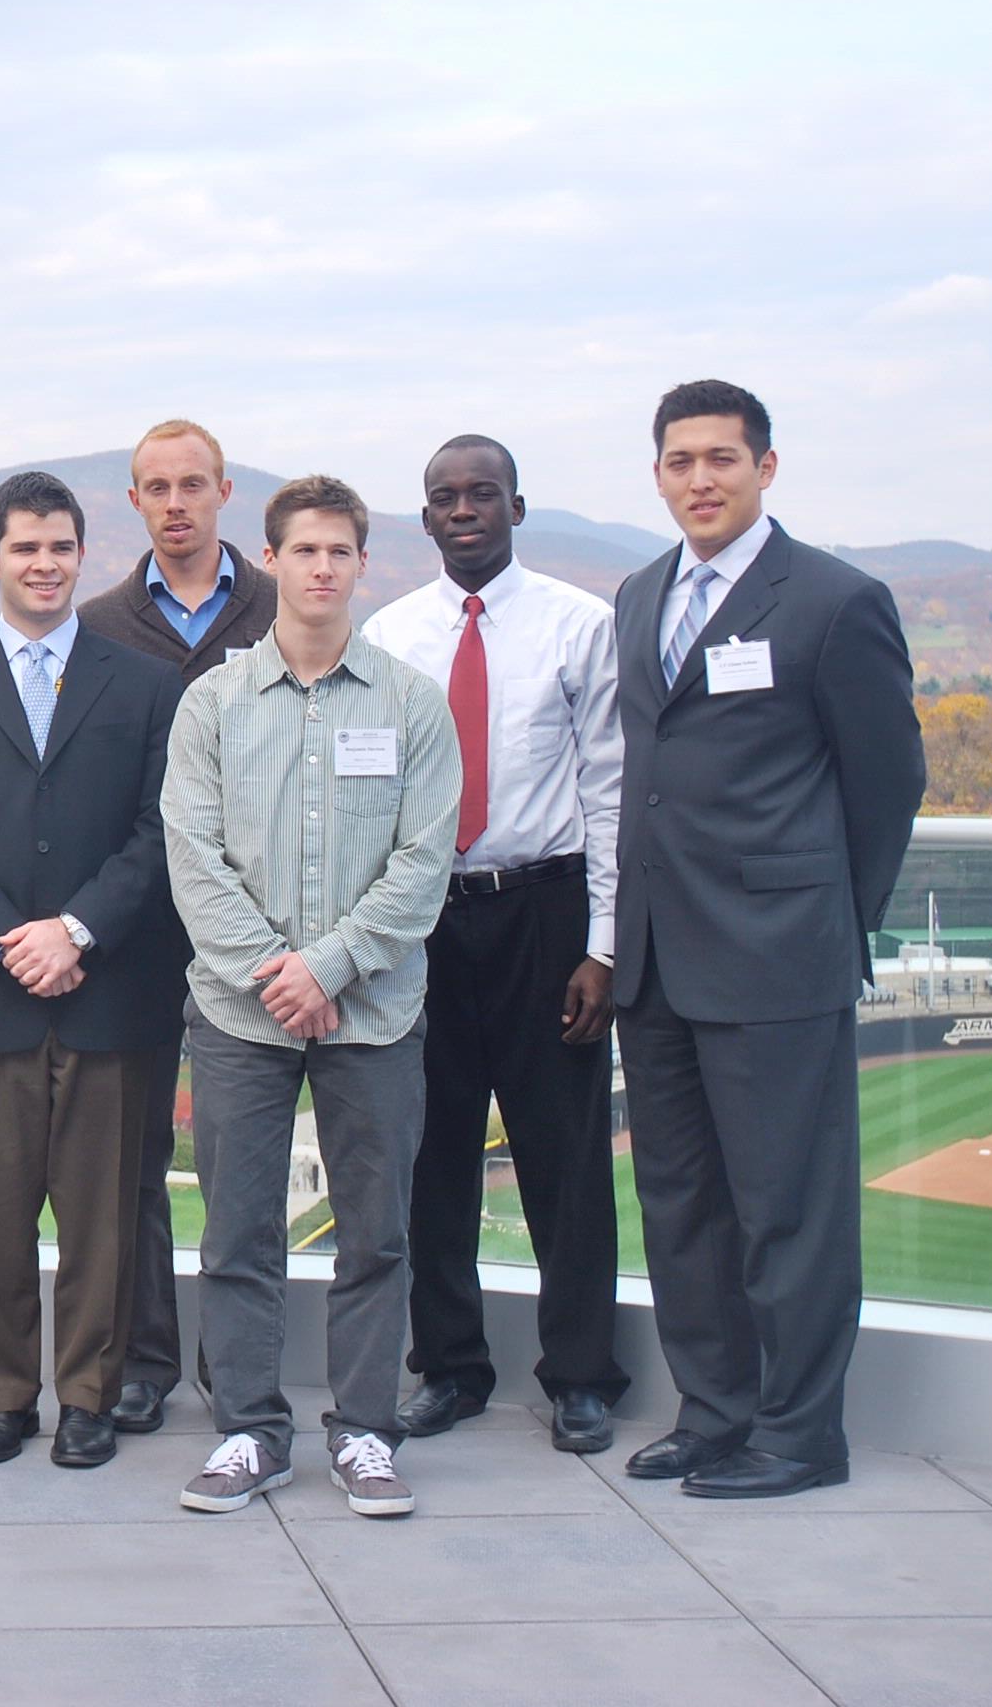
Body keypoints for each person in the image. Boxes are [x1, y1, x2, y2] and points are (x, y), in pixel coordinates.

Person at [612, 380, 924, 1499]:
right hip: (654, 960)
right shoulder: (639, 594)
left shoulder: (834, 602)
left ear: (765, 469)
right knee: (682, 1207)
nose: (699, 479)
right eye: (679, 461)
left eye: (721, 460)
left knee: (788, 1210)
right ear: (656, 474)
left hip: (776, 958)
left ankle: (799, 1434)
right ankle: (713, 1414)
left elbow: (887, 782)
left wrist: (829, 922)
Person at [165, 476, 457, 1520]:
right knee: (238, 1231)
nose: (322, 568)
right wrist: (278, 975)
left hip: (373, 1012)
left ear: (360, 566)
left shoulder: (411, 704)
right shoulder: (212, 704)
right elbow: (192, 858)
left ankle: (367, 1433)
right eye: (304, 551)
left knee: (375, 1233)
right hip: (242, 1016)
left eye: (340, 551)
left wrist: (327, 967)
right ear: (272, 561)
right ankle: (249, 1431)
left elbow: (425, 860)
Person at [0, 471, 183, 1470]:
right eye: (24, 548)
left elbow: (159, 829)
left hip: (111, 990)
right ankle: (3, 1397)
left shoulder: (145, 688)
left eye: (60, 547)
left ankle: (89, 1397)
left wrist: (78, 930)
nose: (44, 564)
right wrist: (14, 939)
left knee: (103, 1217)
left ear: (80, 554)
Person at [362, 435, 630, 1454]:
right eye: (444, 497)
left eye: (482, 493)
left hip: (545, 914)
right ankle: (451, 1366)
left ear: (516, 505)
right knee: (431, 1156)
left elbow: (607, 794)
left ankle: (579, 1375)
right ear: (424, 519)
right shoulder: (389, 635)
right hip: (426, 916)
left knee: (561, 1153)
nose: (464, 509)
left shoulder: (578, 627)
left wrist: (602, 947)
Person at [75, 417, 278, 1428]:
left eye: (191, 484)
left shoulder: (283, 609)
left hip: (266, 929)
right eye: (155, 487)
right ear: (133, 501)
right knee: (138, 1157)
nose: (175, 503)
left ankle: (245, 1369)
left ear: (224, 492)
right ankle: (147, 1359)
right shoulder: (103, 624)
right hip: (146, 932)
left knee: (246, 1166)